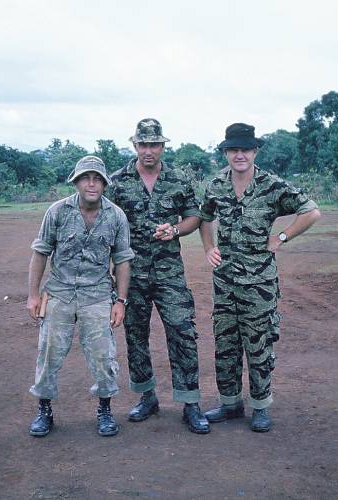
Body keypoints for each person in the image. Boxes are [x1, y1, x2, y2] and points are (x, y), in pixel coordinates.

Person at [200, 123, 321, 432]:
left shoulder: (272, 185)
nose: (239, 155)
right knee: (226, 345)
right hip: (224, 283)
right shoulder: (216, 185)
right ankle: (230, 404)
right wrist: (209, 247)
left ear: (255, 152)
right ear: (226, 153)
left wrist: (281, 237)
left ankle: (260, 406)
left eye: (245, 149)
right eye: (233, 150)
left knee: (259, 346)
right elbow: (204, 216)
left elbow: (311, 211)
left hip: (259, 285)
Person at [106, 118, 210, 434]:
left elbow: (194, 216)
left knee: (182, 332)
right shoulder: (117, 182)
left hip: (169, 273)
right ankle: (147, 397)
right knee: (135, 335)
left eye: (154, 144)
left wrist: (175, 229)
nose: (148, 150)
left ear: (163, 146)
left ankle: (190, 403)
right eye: (143, 144)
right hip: (131, 274)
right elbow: (106, 224)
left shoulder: (178, 179)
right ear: (135, 145)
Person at [27, 155, 134, 437]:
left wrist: (120, 301)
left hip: (97, 295)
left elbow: (122, 260)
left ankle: (105, 410)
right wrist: (33, 296)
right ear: (76, 182)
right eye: (85, 178)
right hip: (59, 293)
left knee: (103, 356)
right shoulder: (57, 212)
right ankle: (44, 410)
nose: (91, 184)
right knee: (48, 353)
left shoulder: (116, 216)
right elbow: (40, 252)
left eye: (97, 179)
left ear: (105, 184)